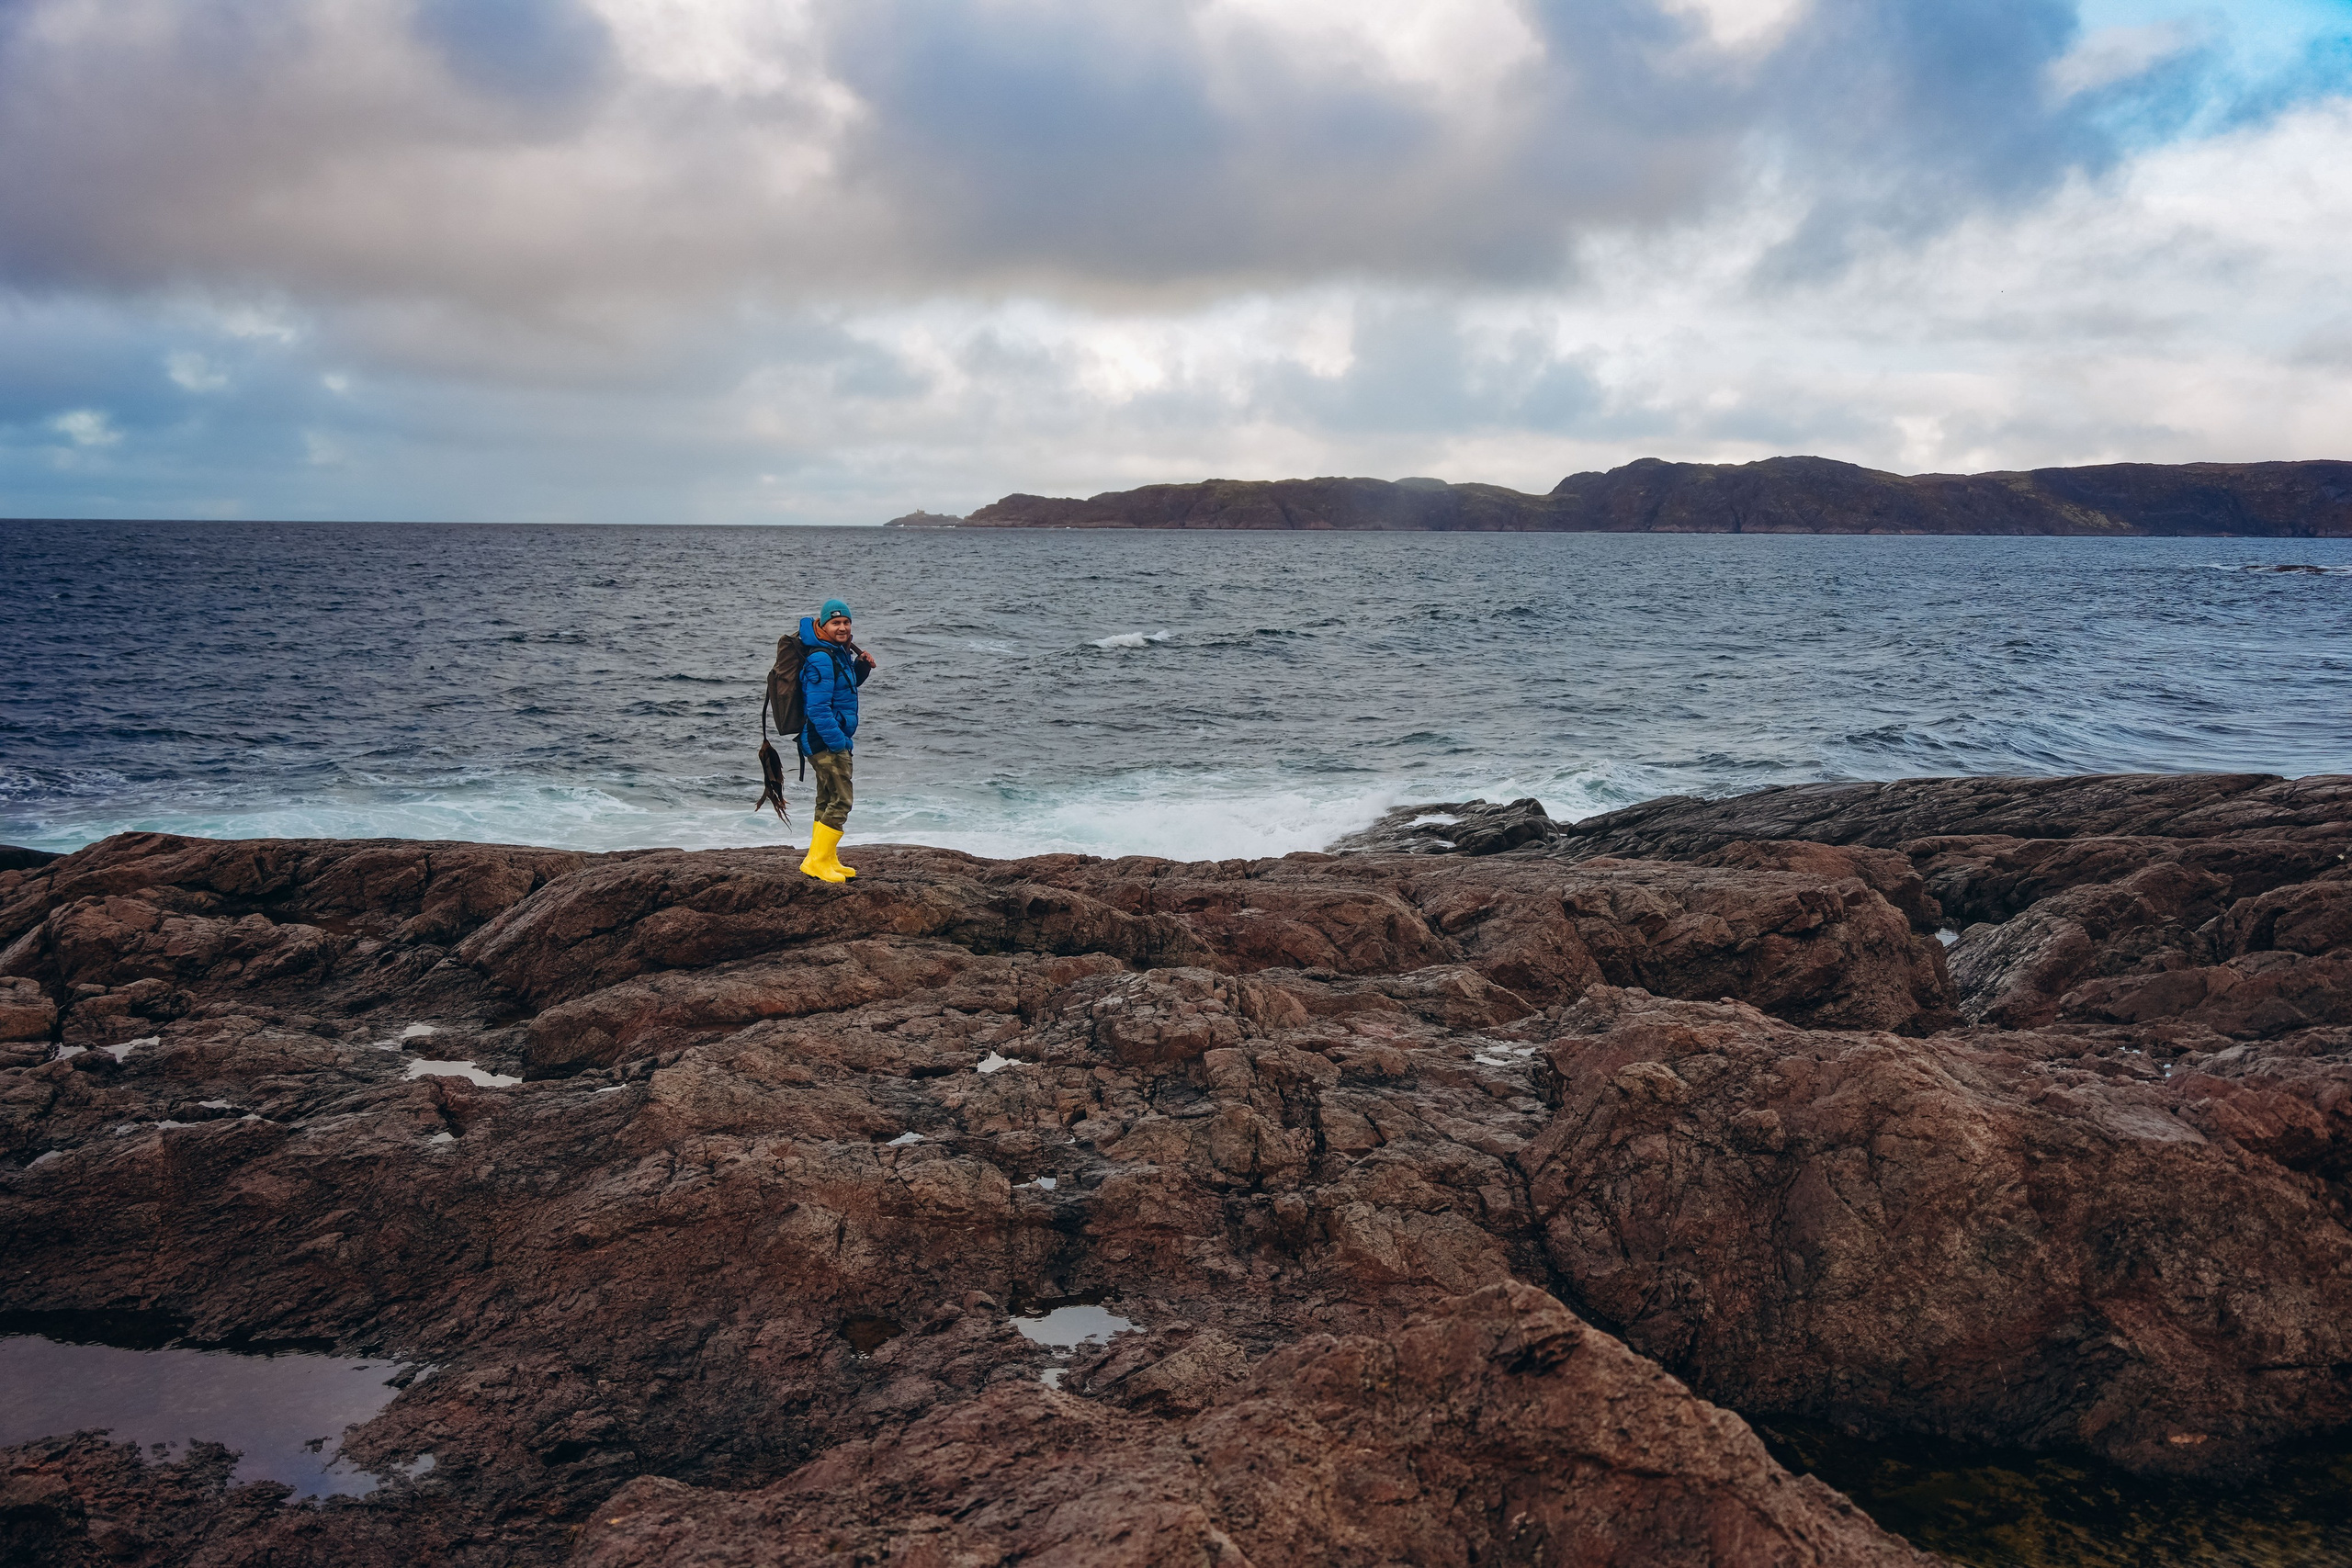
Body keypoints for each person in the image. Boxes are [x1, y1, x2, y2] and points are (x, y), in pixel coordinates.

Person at [796, 597, 874, 883]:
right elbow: (817, 708)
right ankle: (816, 861)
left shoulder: (836, 652)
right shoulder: (820, 657)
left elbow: (843, 687)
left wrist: (860, 667)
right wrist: (839, 742)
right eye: (835, 623)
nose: (842, 627)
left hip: (824, 739)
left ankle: (825, 857)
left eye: (845, 622)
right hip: (824, 741)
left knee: (826, 798)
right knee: (841, 800)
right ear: (823, 625)